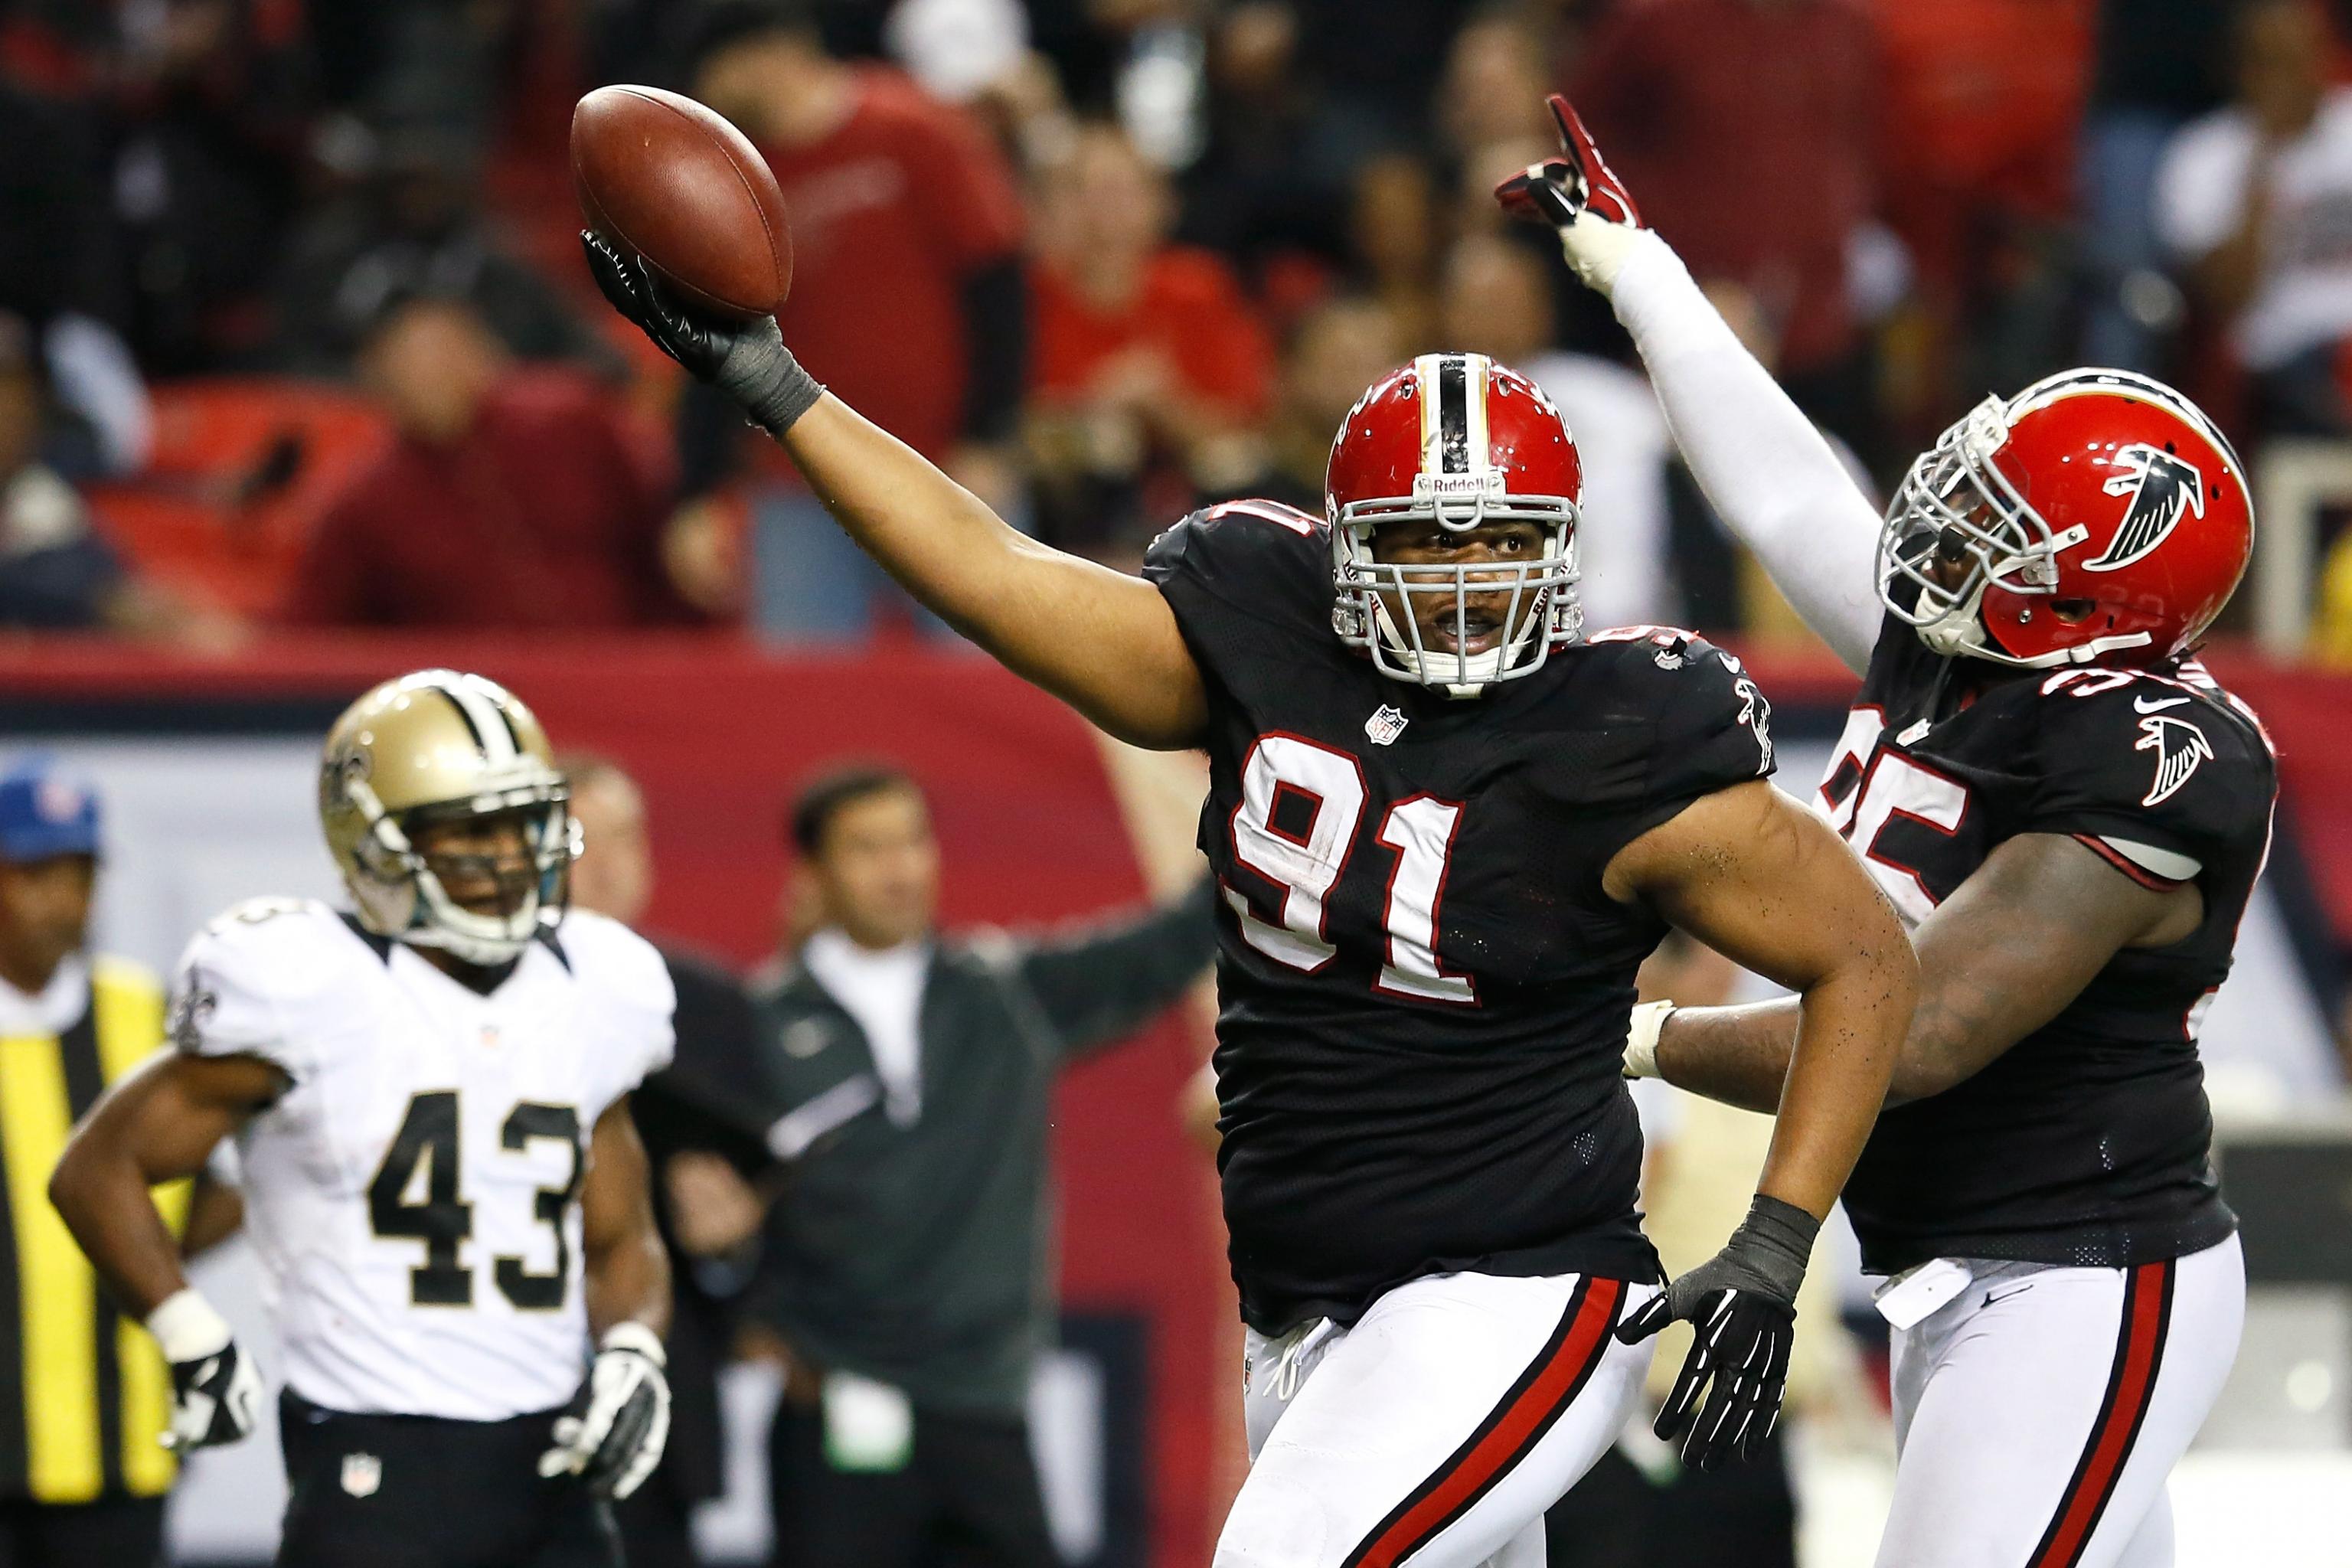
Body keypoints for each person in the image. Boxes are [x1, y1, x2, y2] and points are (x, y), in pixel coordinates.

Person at [582, 167, 1919, 1562]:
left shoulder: (1627, 733)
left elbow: (1864, 957)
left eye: (1500, 544)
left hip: (1515, 1289)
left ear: (1562, 552)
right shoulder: (1256, 632)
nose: (1464, 580)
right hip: (1302, 1303)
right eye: (1423, 543)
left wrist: (1776, 1239)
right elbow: (986, 565)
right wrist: (776, 387)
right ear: (1342, 550)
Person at [1506, 93, 2271, 1568]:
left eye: (1995, 528)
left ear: (2086, 599)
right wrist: (1640, 271)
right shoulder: (1973, 645)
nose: (1938, 528)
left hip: (2084, 1277)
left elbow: (1913, 1033)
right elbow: (1795, 493)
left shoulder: (2154, 755)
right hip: (1965, 1273)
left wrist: (1630, 1036)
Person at [49, 669, 678, 1568]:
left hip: (553, 1461)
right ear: (375, 843)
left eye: (523, 821)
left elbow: (621, 1233)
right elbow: (95, 1170)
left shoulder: (598, 983)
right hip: (376, 1459)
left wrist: (631, 1347)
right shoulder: (307, 982)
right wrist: (188, 1330)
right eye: (470, 829)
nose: (507, 856)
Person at [746, 766, 1216, 1568]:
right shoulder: (757, 1026)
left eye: (912, 841)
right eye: (867, 847)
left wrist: (1265, 811)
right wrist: (747, 1319)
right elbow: (694, 1204)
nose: (898, 867)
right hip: (835, 1412)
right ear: (812, 873)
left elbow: (1167, 946)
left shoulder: (1001, 994)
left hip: (986, 1413)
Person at [676, 0, 1030, 640]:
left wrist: (990, 435)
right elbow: (711, 335)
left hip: (943, 467)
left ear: (767, 57)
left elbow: (996, 284)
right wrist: (698, 491)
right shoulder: (733, 175)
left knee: (988, 683)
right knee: (808, 703)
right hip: (800, 481)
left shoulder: (911, 129)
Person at [0, 756, 213, 1564]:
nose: (62, 898)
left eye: (79, 872)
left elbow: (226, 1192)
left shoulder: (146, 1014)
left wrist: (144, 1267)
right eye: (35, 873)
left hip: (119, 1435)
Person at [564, 754, 775, 1568]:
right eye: (584, 839)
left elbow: (768, 1220)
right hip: (496, 1407)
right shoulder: (466, 996)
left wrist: (729, 1248)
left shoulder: (709, 1003)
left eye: (627, 837)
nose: (610, 863)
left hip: (657, 1408)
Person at [285, 295, 708, 629]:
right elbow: (317, 628)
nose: (432, 375)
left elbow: (669, 531)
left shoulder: (572, 421)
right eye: (409, 361)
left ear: (485, 353)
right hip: (475, 701)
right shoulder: (365, 501)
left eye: (445, 353)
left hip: (621, 667)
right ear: (375, 380)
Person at [2157, 0, 2352, 435]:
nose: (2293, 78)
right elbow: (2226, 295)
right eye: (2273, 63)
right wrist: (2265, 161)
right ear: (2243, 70)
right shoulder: (2203, 156)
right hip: (2285, 364)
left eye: (2303, 57)